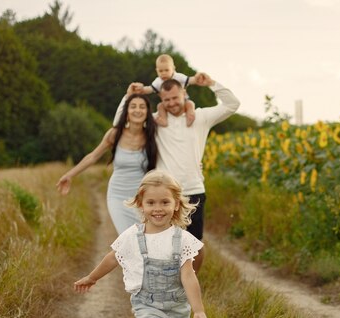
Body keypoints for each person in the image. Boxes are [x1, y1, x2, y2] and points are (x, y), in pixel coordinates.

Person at [73, 169, 210, 318]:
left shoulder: (183, 239)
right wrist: (92, 277)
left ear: (176, 204)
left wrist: (198, 310)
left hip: (177, 303)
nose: (158, 208)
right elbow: (113, 257)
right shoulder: (133, 236)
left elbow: (189, 276)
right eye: (151, 203)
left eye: (165, 202)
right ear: (141, 204)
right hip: (146, 303)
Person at [115, 71, 240, 274]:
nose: (172, 103)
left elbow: (232, 104)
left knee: (195, 246)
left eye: (175, 98)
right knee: (161, 246)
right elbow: (122, 123)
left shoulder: (200, 117)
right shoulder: (155, 121)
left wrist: (211, 83)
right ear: (161, 101)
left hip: (193, 190)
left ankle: (188, 285)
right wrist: (127, 97)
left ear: (184, 93)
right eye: (167, 100)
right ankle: (161, 288)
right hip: (164, 195)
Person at [57, 94, 158, 234]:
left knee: (145, 239)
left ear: (147, 112)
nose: (137, 110)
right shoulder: (114, 134)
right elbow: (92, 157)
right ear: (127, 112)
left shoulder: (153, 135)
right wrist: (69, 175)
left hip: (144, 198)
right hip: (118, 196)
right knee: (127, 237)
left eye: (142, 107)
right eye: (133, 106)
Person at [140, 54, 197, 127]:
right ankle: (164, 120)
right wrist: (142, 89)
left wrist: (196, 79)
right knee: (160, 106)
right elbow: (150, 89)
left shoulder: (178, 76)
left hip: (183, 100)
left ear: (173, 69)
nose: (163, 73)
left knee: (190, 104)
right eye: (160, 71)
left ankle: (190, 116)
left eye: (166, 70)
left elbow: (189, 80)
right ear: (156, 71)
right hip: (167, 104)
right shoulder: (158, 81)